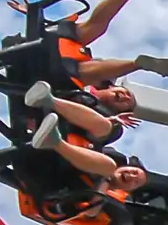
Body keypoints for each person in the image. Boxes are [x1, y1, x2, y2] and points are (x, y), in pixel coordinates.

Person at [8, 0, 168, 86]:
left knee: (94, 33)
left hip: (55, 61)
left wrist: (33, 15)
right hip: (60, 60)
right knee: (93, 31)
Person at [23, 83, 151, 194]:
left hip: (59, 174)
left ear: (127, 190)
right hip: (66, 135)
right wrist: (111, 120)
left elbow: (91, 213)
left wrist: (105, 180)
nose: (132, 177)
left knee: (108, 167)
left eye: (136, 182)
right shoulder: (109, 156)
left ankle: (54, 141)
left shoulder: (110, 195)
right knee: (107, 127)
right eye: (134, 172)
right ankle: (47, 99)